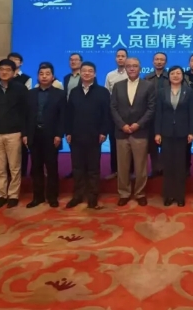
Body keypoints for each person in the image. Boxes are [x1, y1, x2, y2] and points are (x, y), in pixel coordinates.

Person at [110, 58, 156, 206]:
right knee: (122, 166)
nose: (131, 68)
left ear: (140, 68)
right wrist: (122, 125)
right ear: (125, 68)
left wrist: (138, 124)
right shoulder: (117, 86)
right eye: (129, 66)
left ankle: (140, 193)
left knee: (140, 167)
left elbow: (151, 108)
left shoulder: (148, 86)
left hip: (140, 132)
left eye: (135, 66)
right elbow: (113, 108)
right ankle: (124, 193)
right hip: (121, 132)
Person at [65, 61, 110, 209]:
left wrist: (103, 131)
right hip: (76, 136)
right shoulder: (74, 92)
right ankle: (78, 196)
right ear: (80, 73)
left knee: (93, 168)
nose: (87, 73)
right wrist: (68, 132)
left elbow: (106, 114)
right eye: (84, 71)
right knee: (77, 168)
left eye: (90, 71)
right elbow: (69, 114)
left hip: (94, 136)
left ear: (95, 74)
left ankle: (92, 197)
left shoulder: (102, 92)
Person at [24, 62, 67, 208]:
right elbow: (26, 116)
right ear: (37, 76)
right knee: (36, 167)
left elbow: (62, 117)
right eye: (41, 74)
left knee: (52, 167)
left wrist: (59, 135)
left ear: (53, 77)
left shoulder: (60, 94)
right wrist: (25, 134)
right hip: (34, 134)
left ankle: (52, 196)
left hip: (51, 136)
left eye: (47, 74)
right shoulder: (30, 94)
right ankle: (38, 197)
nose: (44, 76)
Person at [0, 59, 28, 210]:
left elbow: (25, 112)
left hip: (14, 133)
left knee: (14, 167)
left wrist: (24, 132)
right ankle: (1, 195)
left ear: (14, 72)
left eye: (8, 70)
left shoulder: (20, 88)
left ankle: (13, 195)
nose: (4, 72)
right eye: (1, 69)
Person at [155, 66, 193, 206]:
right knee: (168, 165)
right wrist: (157, 132)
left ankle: (179, 195)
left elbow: (192, 113)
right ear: (169, 76)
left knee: (180, 165)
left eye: (178, 73)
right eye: (173, 73)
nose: (176, 75)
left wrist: (192, 132)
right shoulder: (162, 92)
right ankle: (168, 195)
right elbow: (158, 113)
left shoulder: (188, 91)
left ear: (183, 76)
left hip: (182, 133)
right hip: (166, 132)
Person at [104, 48, 129, 180]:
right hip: (114, 114)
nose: (120, 58)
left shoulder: (131, 74)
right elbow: (106, 95)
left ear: (127, 58)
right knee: (114, 143)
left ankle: (130, 171)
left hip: (129, 114)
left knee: (129, 144)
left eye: (123, 56)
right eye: (118, 56)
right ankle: (115, 170)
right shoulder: (110, 75)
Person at [145, 52, 169, 178]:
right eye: (157, 59)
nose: (159, 62)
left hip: (167, 115)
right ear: (153, 61)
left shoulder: (170, 77)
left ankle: (164, 168)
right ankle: (154, 168)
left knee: (166, 144)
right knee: (152, 144)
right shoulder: (147, 78)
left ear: (166, 62)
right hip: (151, 115)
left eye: (162, 60)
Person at [8, 53, 31, 177]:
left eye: (16, 60)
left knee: (22, 147)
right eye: (11, 59)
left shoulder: (26, 78)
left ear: (21, 63)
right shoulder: (2, 78)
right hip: (5, 117)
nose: (13, 61)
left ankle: (22, 173)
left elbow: (26, 98)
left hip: (20, 115)